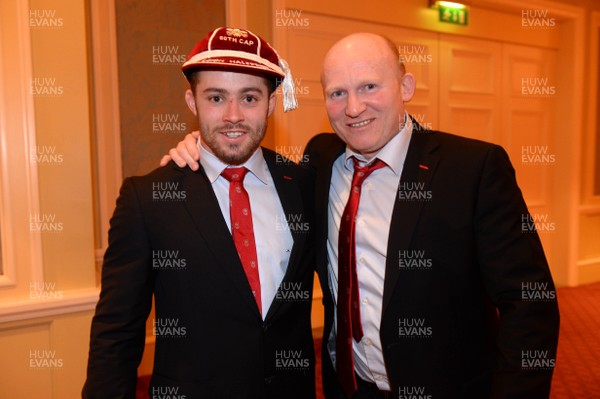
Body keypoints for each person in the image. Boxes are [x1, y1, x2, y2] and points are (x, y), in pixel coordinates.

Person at [163, 32, 560, 399]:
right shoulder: (319, 162)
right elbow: (244, 156)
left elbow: (529, 304)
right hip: (348, 387)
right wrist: (202, 145)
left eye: (369, 86)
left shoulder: (472, 169)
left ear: (405, 87)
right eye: (338, 93)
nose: (354, 108)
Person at [83, 27, 316, 399]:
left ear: (271, 104)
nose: (233, 116)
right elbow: (117, 331)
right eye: (216, 97)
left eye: (250, 98)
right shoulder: (148, 199)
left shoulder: (302, 184)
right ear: (192, 102)